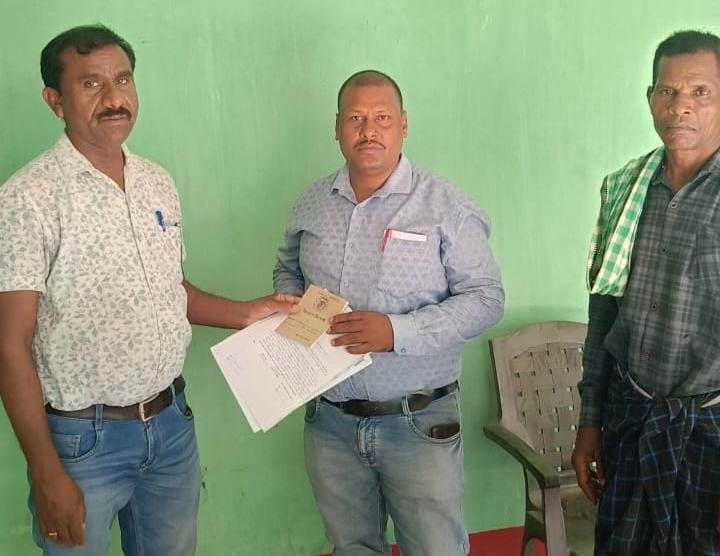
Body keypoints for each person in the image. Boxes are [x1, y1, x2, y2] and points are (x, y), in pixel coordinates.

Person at [0, 24, 297, 556]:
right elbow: (9, 344)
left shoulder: (155, 181)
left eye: (122, 79)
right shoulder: (29, 198)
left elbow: (169, 290)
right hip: (83, 443)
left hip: (171, 426)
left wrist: (249, 312)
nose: (114, 98)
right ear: (55, 101)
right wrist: (45, 473)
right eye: (90, 84)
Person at [273, 70, 504, 556]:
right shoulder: (311, 202)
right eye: (355, 118)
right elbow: (287, 269)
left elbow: (486, 298)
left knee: (436, 549)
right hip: (330, 423)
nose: (368, 131)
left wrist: (397, 332)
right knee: (352, 547)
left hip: (418, 422)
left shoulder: (445, 205)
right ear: (337, 127)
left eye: (382, 118)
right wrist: (294, 308)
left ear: (403, 125)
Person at [573, 29, 720, 555]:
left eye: (700, 92)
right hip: (631, 419)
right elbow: (603, 317)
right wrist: (590, 424)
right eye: (667, 91)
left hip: (710, 432)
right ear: (650, 98)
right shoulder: (625, 190)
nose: (680, 107)